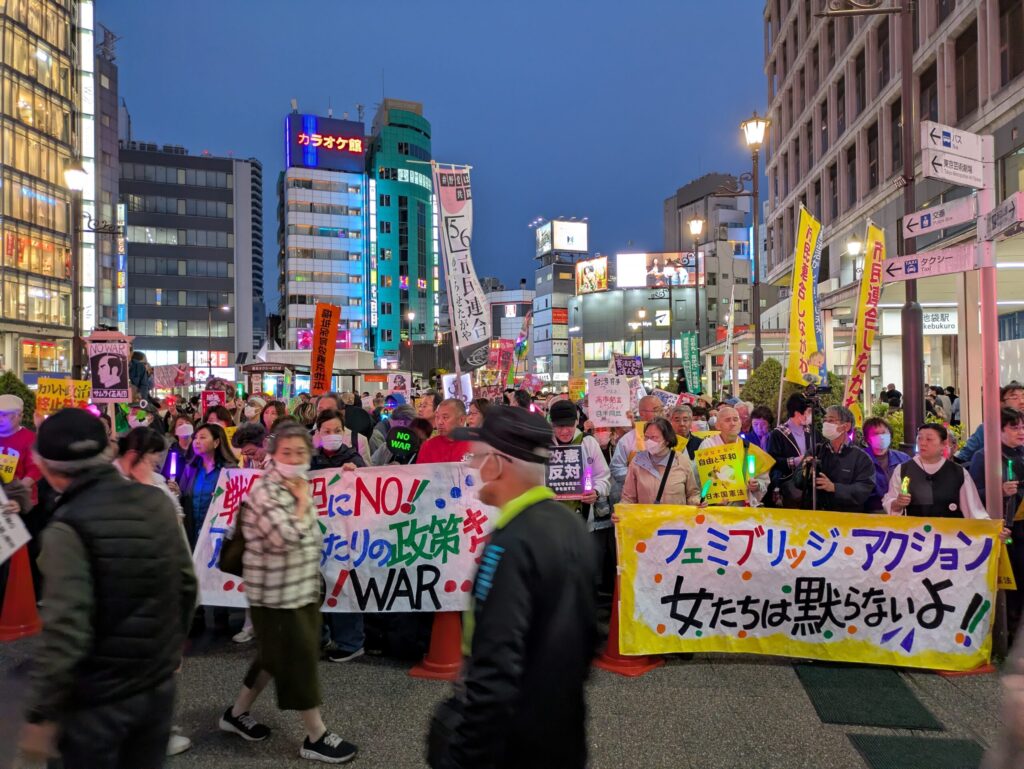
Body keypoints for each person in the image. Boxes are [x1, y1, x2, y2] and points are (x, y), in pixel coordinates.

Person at [16, 409, 196, 768]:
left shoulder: (65, 528)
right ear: (108, 451)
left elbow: (66, 630)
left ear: (47, 468)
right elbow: (186, 585)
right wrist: (167, 651)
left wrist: (41, 714)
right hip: (156, 688)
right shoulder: (156, 502)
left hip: (95, 702)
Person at [432, 407, 598, 769]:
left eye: (477, 457)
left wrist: (461, 757)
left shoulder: (509, 544)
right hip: (564, 733)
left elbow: (494, 669)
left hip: (510, 744)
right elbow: (588, 641)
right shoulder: (570, 526)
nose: (474, 468)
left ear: (496, 464)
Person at [220, 422, 358, 763]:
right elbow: (287, 540)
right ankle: (316, 735)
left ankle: (235, 714)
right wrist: (300, 502)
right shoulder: (267, 493)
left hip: (300, 590)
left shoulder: (297, 484)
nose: (294, 458)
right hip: (275, 597)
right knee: (298, 661)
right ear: (273, 454)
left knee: (272, 657)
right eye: (287, 452)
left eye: (300, 452)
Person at [310, 409, 365, 664]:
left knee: (344, 585)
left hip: (345, 536)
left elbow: (369, 493)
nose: (332, 435)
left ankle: (350, 642)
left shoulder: (353, 458)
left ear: (344, 433)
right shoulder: (310, 461)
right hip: (315, 535)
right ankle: (318, 637)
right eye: (327, 431)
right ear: (318, 433)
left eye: (337, 431)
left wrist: (356, 474)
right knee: (316, 587)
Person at [969, 407, 1024, 631]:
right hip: (1004, 530)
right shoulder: (984, 456)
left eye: (1022, 427)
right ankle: (1007, 631)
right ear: (998, 430)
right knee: (1010, 584)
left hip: (1020, 526)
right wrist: (998, 491)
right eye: (1014, 428)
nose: (1021, 432)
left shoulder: (1022, 454)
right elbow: (972, 496)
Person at [884, 424, 990, 518]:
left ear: (943, 444)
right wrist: (897, 503)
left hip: (950, 532)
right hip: (914, 532)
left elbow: (975, 511)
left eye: (929, 439)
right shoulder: (903, 469)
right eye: (920, 438)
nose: (922, 443)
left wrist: (991, 529)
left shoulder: (958, 472)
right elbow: (890, 502)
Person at [798, 406, 874, 512]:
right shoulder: (816, 451)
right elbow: (796, 482)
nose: (826, 424)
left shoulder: (861, 458)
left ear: (846, 426)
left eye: (831, 420)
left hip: (846, 516)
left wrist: (834, 487)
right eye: (825, 420)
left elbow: (863, 490)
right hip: (816, 514)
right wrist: (805, 473)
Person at [178, 423, 238, 549]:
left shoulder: (230, 471)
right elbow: (183, 497)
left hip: (217, 535)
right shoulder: (191, 468)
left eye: (202, 437)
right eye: (195, 438)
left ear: (216, 442)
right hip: (192, 531)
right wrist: (177, 492)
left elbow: (236, 504)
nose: (196, 441)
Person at [697, 406, 769, 506]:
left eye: (735, 419)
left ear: (740, 423)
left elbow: (764, 481)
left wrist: (757, 485)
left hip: (743, 507)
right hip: (714, 506)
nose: (732, 423)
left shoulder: (749, 449)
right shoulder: (708, 446)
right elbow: (697, 479)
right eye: (727, 420)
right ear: (718, 425)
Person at [621, 417, 699, 505]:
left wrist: (697, 502)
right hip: (647, 514)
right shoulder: (637, 462)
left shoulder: (682, 461)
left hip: (675, 514)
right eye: (646, 437)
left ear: (667, 440)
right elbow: (628, 498)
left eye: (654, 437)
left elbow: (692, 494)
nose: (649, 441)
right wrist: (621, 509)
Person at [766, 393, 819, 507]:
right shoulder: (778, 433)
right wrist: (795, 461)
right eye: (808, 412)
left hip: (810, 480)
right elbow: (772, 460)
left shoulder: (812, 432)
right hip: (788, 481)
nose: (811, 415)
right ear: (797, 413)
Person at [956, 382, 1024, 464]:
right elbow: (963, 457)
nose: (1022, 401)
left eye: (1023, 396)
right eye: (1014, 398)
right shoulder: (988, 428)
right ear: (1001, 402)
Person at [610, 395, 665, 485]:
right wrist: (640, 475)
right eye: (657, 410)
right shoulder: (628, 439)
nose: (661, 414)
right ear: (642, 413)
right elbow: (616, 469)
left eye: (662, 409)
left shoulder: (670, 435)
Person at [861, 417, 910, 513]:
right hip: (870, 512)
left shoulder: (903, 458)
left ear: (890, 435)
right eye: (876, 434)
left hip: (900, 510)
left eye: (884, 433)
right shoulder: (860, 458)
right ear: (867, 439)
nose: (881, 437)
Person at [416, 399, 472, 464]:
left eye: (445, 417)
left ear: (461, 420)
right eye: (437, 417)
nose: (439, 422)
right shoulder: (428, 446)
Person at [163, 414, 195, 481]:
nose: (185, 426)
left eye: (188, 423)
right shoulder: (171, 451)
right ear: (175, 431)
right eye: (180, 424)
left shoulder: (199, 448)